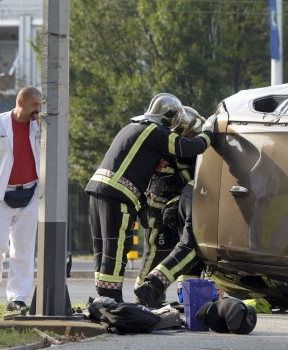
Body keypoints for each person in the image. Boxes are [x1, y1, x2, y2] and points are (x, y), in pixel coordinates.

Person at [85, 93, 214, 302]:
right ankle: (112, 300)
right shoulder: (156, 131)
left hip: (97, 190)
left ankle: (102, 298)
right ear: (171, 117)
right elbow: (187, 147)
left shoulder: (133, 126)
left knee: (102, 247)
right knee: (117, 247)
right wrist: (210, 133)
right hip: (120, 195)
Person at [135, 106, 204, 295]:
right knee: (155, 252)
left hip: (173, 211)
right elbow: (165, 183)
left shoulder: (189, 154)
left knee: (177, 252)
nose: (193, 135)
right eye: (190, 132)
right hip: (157, 211)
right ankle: (142, 291)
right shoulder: (168, 152)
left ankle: (181, 295)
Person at [0, 86, 42, 310]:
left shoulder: (40, 126)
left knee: (23, 249)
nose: (38, 110)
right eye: (34, 105)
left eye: (39, 105)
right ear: (20, 102)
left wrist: (43, 127)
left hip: (30, 191)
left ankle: (16, 297)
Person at [134, 180, 202, 308]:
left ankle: (187, 301)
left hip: (183, 196)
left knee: (189, 255)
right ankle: (148, 290)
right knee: (186, 248)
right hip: (164, 202)